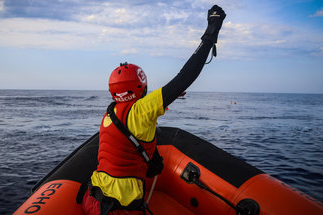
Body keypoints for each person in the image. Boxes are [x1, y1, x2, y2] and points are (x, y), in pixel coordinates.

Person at [82, 5, 226, 215]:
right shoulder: (142, 110)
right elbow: (185, 77)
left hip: (94, 200)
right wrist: (210, 33)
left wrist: (171, 95)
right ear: (141, 85)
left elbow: (133, 129)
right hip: (120, 209)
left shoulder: (111, 113)